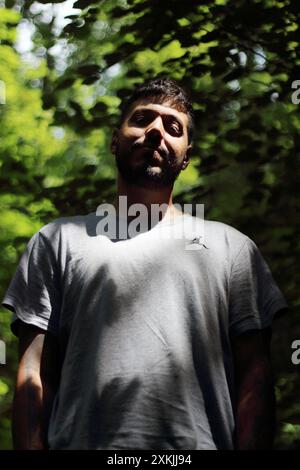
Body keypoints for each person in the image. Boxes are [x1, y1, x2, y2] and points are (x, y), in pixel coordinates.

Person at [2, 78, 287, 450]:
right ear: (115, 140)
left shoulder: (232, 248)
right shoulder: (57, 241)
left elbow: (255, 376)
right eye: (142, 119)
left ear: (186, 156)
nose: (155, 131)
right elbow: (33, 372)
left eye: (173, 127)